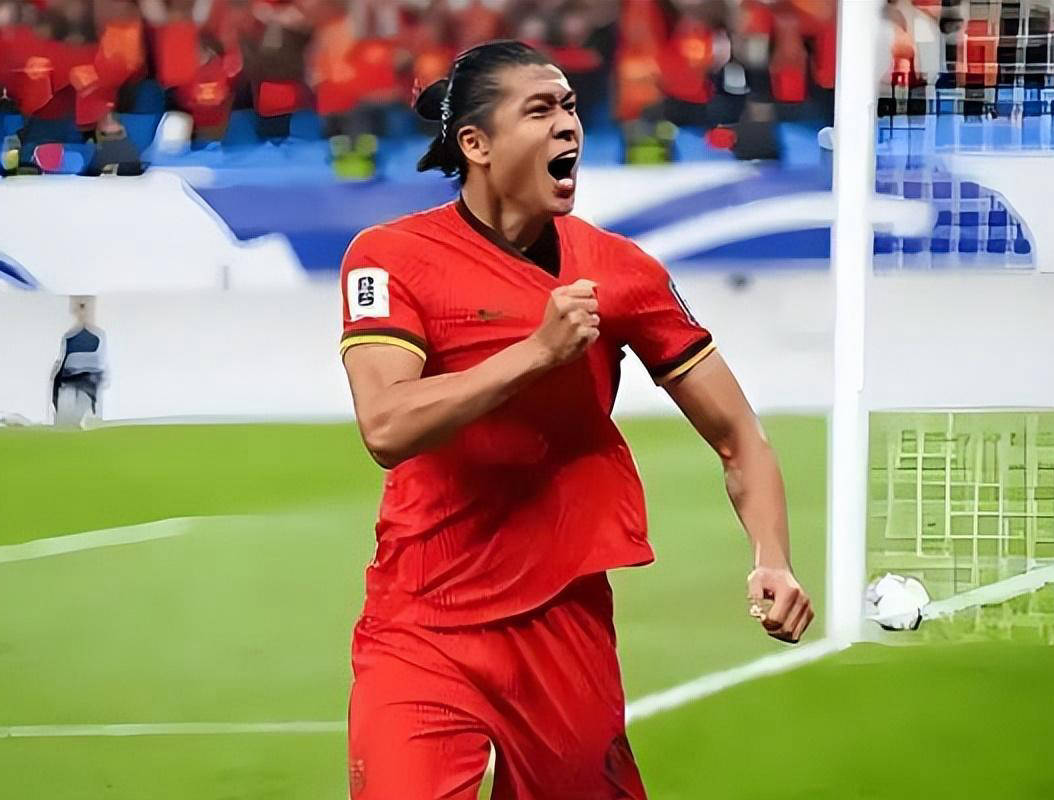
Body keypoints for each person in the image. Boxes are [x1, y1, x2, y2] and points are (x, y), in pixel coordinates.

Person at [339, 39, 813, 800]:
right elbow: (386, 426)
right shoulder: (391, 256)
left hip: (563, 621)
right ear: (476, 144)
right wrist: (538, 352)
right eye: (540, 110)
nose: (568, 125)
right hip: (422, 622)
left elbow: (738, 437)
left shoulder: (621, 270)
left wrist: (773, 558)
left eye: (569, 107)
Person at [51, 295, 108, 426]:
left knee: (82, 408)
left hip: (87, 378)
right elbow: (62, 360)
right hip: (73, 378)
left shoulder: (98, 336)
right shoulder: (69, 337)